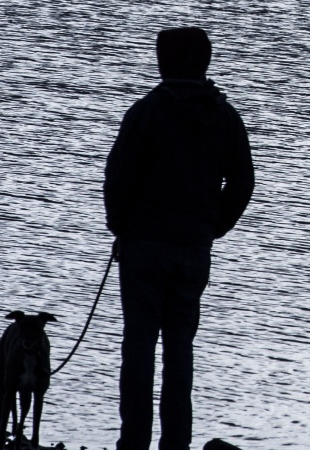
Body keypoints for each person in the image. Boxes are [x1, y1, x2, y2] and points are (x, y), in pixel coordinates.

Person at [104, 27, 255, 450]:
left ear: (167, 60)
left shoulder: (146, 112)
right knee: (179, 348)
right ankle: (177, 444)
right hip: (192, 247)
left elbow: (117, 177)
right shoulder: (224, 116)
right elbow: (243, 182)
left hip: (145, 245)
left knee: (138, 344)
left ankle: (132, 443)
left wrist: (121, 227)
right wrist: (212, 226)